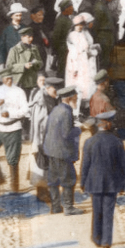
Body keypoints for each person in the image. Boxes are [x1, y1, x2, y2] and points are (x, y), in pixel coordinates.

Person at [79, 111, 125, 248]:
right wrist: (122, 183)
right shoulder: (116, 142)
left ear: (98, 125)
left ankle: (97, 237)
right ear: (109, 125)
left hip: (94, 182)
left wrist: (82, 182)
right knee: (108, 213)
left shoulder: (89, 142)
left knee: (97, 211)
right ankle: (106, 243)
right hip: (111, 184)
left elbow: (85, 165)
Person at [0, 72, 30, 194]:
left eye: (10, 78)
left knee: (13, 159)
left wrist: (11, 114)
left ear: (13, 78)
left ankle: (15, 187)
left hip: (13, 128)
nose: (8, 80)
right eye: (6, 78)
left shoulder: (19, 92)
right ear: (2, 79)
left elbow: (25, 110)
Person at [39, 83, 80, 214]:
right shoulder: (66, 112)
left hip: (51, 151)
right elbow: (67, 133)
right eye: (75, 98)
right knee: (68, 179)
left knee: (53, 179)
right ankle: (69, 208)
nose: (77, 101)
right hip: (62, 152)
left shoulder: (56, 109)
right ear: (68, 99)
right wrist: (79, 129)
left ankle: (55, 207)